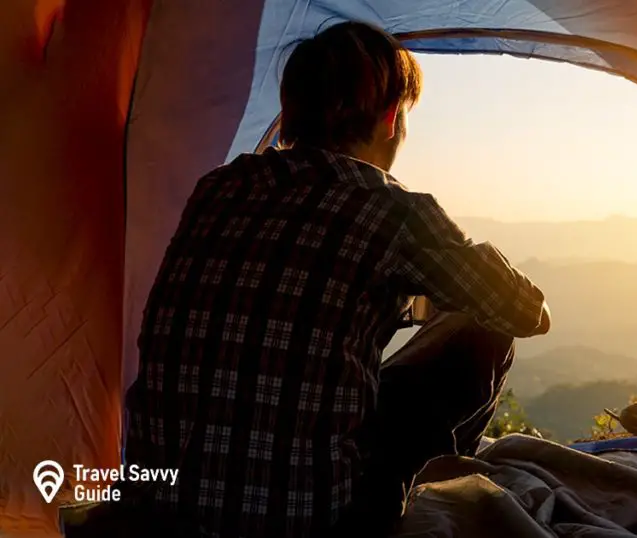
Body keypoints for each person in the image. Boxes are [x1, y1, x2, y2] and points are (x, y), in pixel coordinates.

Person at [121, 20, 551, 538]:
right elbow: (527, 312)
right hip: (309, 520)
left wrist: (407, 300)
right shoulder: (391, 209)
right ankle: (417, 491)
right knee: (484, 329)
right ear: (391, 118)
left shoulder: (218, 187)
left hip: (158, 507)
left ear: (290, 113)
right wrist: (455, 260)